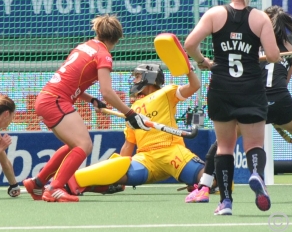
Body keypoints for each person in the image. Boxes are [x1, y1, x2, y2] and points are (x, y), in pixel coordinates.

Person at [187, 6, 292, 204]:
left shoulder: (252, 43)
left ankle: (203, 187)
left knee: (223, 143)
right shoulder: (291, 51)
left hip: (254, 100)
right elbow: (283, 83)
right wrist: (276, 118)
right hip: (281, 102)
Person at [22, 14, 150, 203]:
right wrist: (129, 113)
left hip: (47, 98)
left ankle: (38, 183)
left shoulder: (84, 47)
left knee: (74, 145)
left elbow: (73, 82)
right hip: (56, 100)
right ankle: (55, 188)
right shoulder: (104, 54)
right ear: (116, 38)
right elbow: (107, 91)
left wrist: (91, 100)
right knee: (84, 145)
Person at [184, 0, 281, 215]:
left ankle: (225, 202)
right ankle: (257, 174)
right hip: (250, 88)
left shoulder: (215, 14)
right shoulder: (260, 19)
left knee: (225, 147)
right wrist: (254, 54)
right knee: (254, 143)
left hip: (221, 87)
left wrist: (203, 61)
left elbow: (189, 44)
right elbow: (273, 57)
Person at [66, 63, 203, 196]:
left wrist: (188, 69)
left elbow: (195, 85)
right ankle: (73, 181)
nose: (134, 80)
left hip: (172, 151)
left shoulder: (166, 93)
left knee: (208, 179)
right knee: (117, 174)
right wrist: (118, 172)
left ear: (148, 77)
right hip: (146, 159)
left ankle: (209, 182)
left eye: (137, 76)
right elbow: (128, 143)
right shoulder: (132, 110)